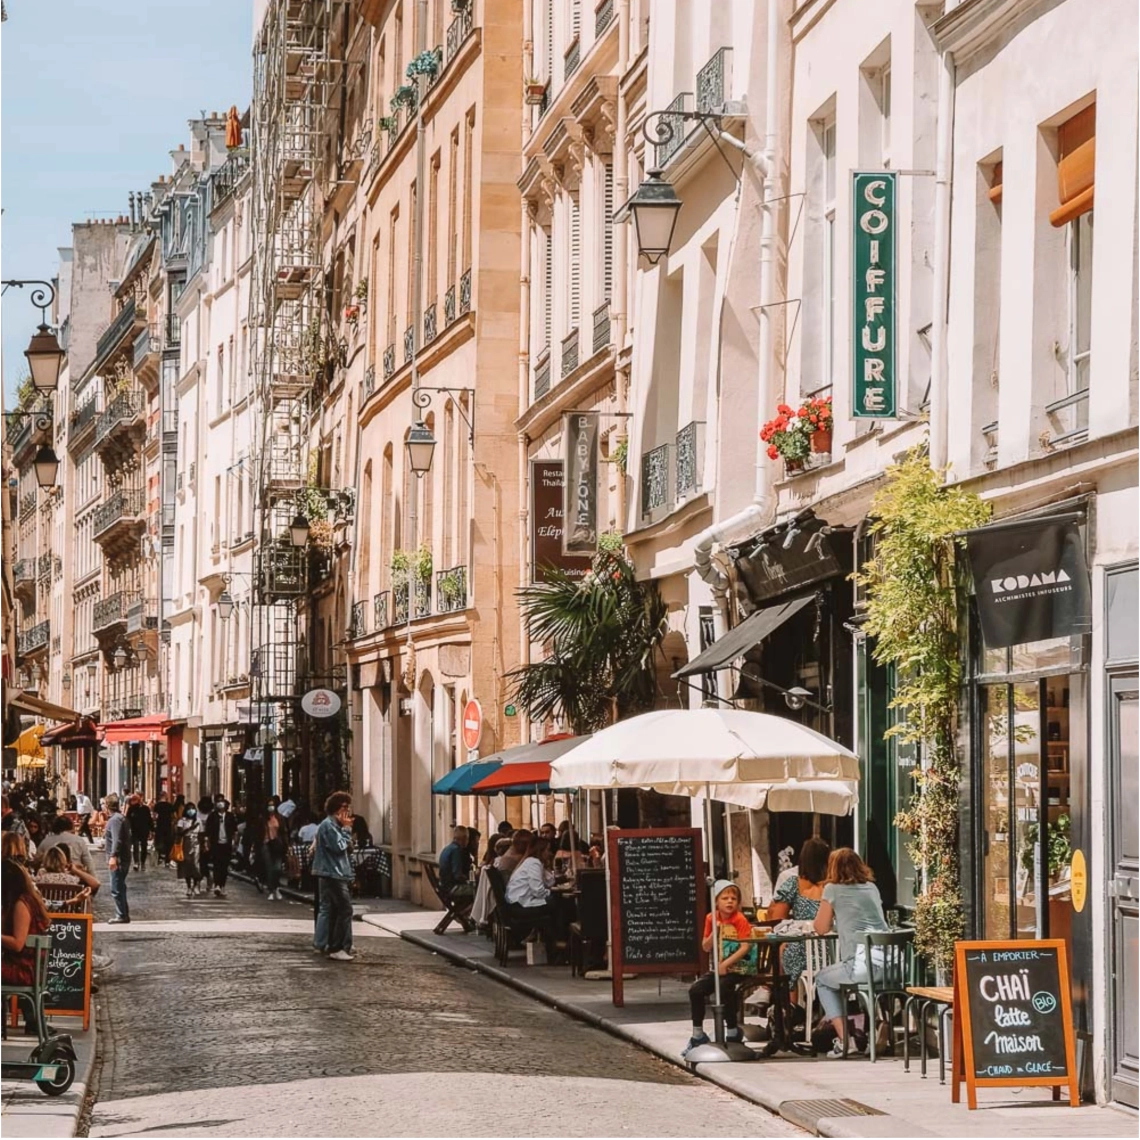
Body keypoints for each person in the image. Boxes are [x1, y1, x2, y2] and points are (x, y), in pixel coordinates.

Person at [812, 847, 892, 1058]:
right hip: (893, 964)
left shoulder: (831, 889)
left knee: (822, 979)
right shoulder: (872, 888)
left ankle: (845, 1041)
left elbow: (820, 928)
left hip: (862, 965)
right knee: (865, 986)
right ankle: (875, 1027)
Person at [684, 880, 757, 1055]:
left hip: (739, 968)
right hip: (719, 968)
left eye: (733, 898)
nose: (729, 901)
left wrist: (726, 964)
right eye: (725, 898)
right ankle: (697, 1033)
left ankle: (732, 1030)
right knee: (696, 990)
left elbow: (745, 946)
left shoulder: (740, 919)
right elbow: (705, 947)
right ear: (717, 901)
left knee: (725, 988)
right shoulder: (711, 918)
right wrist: (714, 932)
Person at [767, 836, 831, 1002]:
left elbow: (777, 921)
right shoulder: (833, 886)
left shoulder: (793, 884)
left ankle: (792, 1007)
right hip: (831, 948)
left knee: (784, 949)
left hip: (803, 946)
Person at [1, 858, 52, 1013]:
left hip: (24, 970)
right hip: (26, 966)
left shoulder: (21, 905)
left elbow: (18, 943)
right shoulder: (25, 900)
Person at [313, 792, 355, 961]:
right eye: (344, 807)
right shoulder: (329, 826)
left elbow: (347, 847)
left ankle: (322, 943)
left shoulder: (333, 826)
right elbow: (338, 847)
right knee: (345, 909)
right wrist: (347, 829)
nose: (347, 811)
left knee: (328, 908)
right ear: (336, 808)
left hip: (335, 872)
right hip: (333, 873)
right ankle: (339, 946)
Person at [103, 794, 132, 923]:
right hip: (122, 857)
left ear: (107, 806)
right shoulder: (120, 818)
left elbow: (117, 839)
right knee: (120, 885)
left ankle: (121, 914)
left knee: (116, 887)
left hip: (119, 859)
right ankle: (123, 912)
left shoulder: (115, 820)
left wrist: (113, 855)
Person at [205, 798, 238, 898]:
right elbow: (208, 830)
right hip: (216, 843)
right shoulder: (212, 816)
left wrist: (234, 842)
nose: (220, 804)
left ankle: (222, 885)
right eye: (218, 802)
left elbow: (235, 830)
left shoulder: (230, 816)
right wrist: (207, 842)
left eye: (222, 802)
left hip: (227, 844)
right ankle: (217, 885)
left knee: (224, 865)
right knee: (217, 865)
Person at [438, 825, 474, 901]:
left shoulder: (447, 848)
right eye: (467, 839)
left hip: (444, 886)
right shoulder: (456, 851)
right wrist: (469, 879)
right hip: (452, 888)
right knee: (478, 890)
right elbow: (457, 875)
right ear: (464, 838)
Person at [175, 804, 203, 897]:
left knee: (195, 864)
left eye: (193, 809)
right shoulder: (182, 821)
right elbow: (179, 833)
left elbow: (201, 833)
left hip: (196, 843)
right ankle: (189, 886)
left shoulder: (198, 820)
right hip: (185, 843)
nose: (191, 811)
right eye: (189, 809)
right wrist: (189, 829)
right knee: (187, 864)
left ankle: (196, 884)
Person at [264, 802, 287, 901]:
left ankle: (276, 888)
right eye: (269, 805)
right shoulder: (264, 819)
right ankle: (271, 890)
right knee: (270, 868)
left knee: (277, 868)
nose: (271, 807)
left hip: (277, 845)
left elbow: (284, 832)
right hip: (266, 845)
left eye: (273, 805)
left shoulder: (280, 818)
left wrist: (286, 844)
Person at [126, 794, 153, 871]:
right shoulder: (131, 809)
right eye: (132, 800)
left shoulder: (145, 809)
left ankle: (143, 862)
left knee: (144, 847)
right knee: (135, 847)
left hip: (144, 831)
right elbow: (127, 820)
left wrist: (152, 830)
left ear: (138, 800)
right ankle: (136, 862)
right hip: (134, 831)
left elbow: (149, 819)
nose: (133, 802)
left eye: (134, 800)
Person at [153, 794, 175, 866]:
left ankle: (160, 856)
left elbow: (155, 815)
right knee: (168, 842)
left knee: (159, 840)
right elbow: (173, 815)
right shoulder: (169, 805)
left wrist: (155, 821)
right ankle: (167, 860)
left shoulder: (157, 805)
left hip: (160, 825)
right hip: (168, 825)